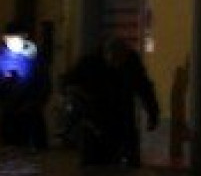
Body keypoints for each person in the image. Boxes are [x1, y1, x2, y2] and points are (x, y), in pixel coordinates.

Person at [61, 37, 160, 168]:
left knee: (129, 162)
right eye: (114, 60)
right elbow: (68, 84)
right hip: (95, 118)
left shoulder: (131, 62)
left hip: (122, 117)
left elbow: (144, 87)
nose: (117, 65)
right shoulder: (89, 63)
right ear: (106, 54)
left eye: (120, 61)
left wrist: (153, 113)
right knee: (93, 164)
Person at [0, 21, 50, 150]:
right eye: (9, 38)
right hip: (9, 116)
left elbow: (44, 85)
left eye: (16, 38)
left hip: (31, 117)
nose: (13, 42)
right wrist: (4, 80)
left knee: (30, 151)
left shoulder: (35, 58)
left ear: (25, 37)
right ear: (4, 39)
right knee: (10, 149)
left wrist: (34, 102)